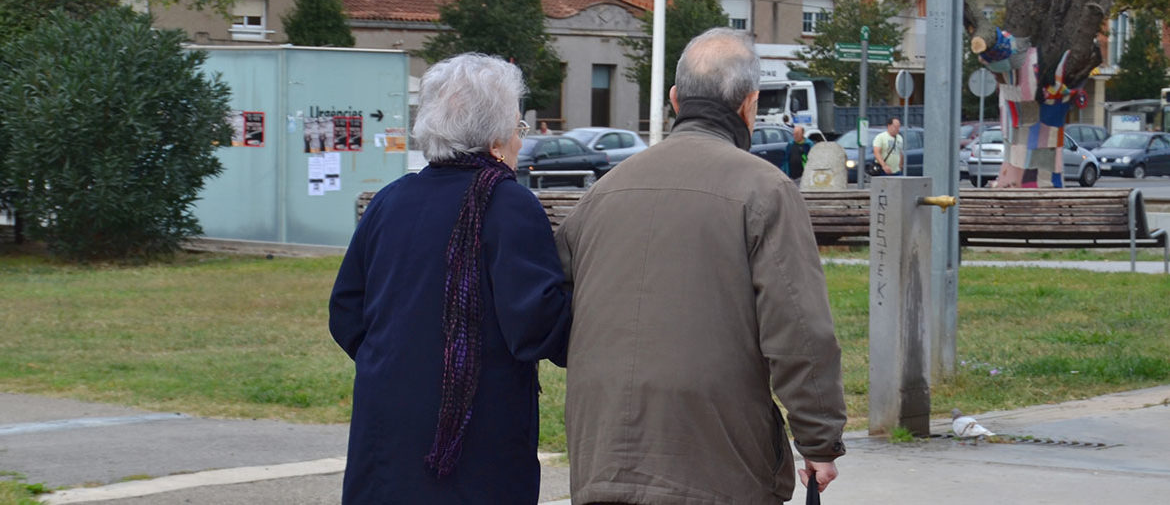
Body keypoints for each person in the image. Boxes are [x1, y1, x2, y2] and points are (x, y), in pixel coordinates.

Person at [555, 28, 846, 504]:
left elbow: (555, 304)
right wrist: (818, 440)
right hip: (715, 459)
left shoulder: (604, 191)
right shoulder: (766, 190)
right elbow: (799, 327)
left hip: (601, 451)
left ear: (674, 99)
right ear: (750, 104)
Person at [329, 53, 572, 504]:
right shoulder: (509, 205)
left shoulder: (389, 201)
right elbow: (536, 326)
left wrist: (396, 363)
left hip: (386, 430)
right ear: (498, 138)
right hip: (474, 436)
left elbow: (346, 311)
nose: (519, 141)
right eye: (518, 129)